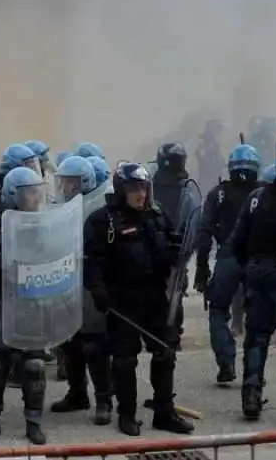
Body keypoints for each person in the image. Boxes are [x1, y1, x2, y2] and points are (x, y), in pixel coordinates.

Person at [85, 162, 194, 436]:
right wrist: (98, 290)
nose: (140, 194)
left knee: (165, 353)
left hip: (156, 296)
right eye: (134, 188)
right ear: (122, 190)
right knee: (125, 360)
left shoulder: (157, 214)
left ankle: (164, 412)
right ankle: (127, 414)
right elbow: (92, 261)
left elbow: (170, 252)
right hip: (123, 299)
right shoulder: (103, 221)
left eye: (143, 188)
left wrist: (177, 250)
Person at [228, 146, 276, 423]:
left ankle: (251, 395)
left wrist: (250, 268)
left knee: (256, 336)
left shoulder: (256, 198)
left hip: (257, 273)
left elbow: (237, 241)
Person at [0, 166, 50, 444]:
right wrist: (12, 259)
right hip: (1, 302)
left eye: (36, 192)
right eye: (29, 193)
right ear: (13, 194)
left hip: (33, 301)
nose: (34, 198)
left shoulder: (45, 222)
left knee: (34, 366)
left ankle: (33, 423)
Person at [49, 157, 113, 425]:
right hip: (66, 283)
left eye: (71, 183)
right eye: (62, 182)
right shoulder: (65, 208)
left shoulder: (99, 209)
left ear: (84, 183)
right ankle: (77, 394)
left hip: (90, 285)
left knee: (94, 346)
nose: (64, 187)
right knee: (70, 343)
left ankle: (104, 401)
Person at [194, 144, 261, 385]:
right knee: (258, 317)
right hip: (257, 260)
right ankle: (254, 372)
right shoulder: (265, 193)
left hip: (228, 256)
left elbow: (204, 232)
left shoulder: (218, 194)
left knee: (218, 309)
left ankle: (226, 361)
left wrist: (202, 266)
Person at [152, 142, 192, 348]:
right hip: (177, 249)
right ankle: (173, 332)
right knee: (175, 293)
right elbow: (192, 220)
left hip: (152, 247)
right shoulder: (186, 189)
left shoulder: (149, 185)